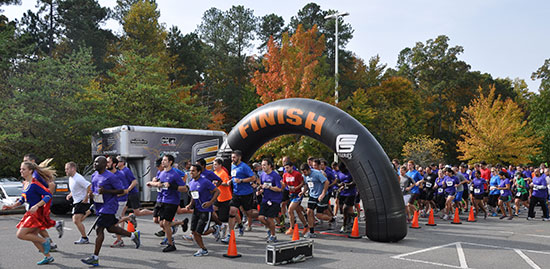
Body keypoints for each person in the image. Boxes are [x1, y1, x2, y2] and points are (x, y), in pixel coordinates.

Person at [81, 156, 141, 266]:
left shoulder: (111, 177)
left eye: (97, 162)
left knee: (99, 229)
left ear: (104, 164)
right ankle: (133, 236)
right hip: (99, 205)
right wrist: (90, 195)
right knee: (111, 228)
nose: (95, 164)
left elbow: (122, 190)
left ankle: (95, 257)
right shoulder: (94, 175)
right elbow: (94, 191)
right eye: (94, 162)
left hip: (109, 206)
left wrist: (106, 191)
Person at [3, 162, 56, 265]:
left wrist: (37, 206)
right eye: (20, 169)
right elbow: (23, 199)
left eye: (23, 169)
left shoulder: (35, 184)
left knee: (21, 234)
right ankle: (48, 257)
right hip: (29, 213)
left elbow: (48, 195)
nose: (21, 171)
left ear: (30, 171)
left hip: (36, 214)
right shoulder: (26, 183)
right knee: (32, 235)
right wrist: (12, 206)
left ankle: (45, 241)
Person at [146, 154, 187, 252]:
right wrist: (154, 184)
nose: (162, 162)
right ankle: (181, 223)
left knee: (166, 223)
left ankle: (171, 244)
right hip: (161, 200)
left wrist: (172, 186)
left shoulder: (175, 174)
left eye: (165, 160)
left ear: (170, 162)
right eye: (162, 160)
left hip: (171, 201)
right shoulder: (161, 173)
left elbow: (184, 188)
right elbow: (156, 182)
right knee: (156, 220)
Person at [22, 154, 63, 250]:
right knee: (38, 225)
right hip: (35, 204)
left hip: (39, 204)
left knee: (38, 224)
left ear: (32, 162)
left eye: (26, 161)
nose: (24, 163)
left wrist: (45, 201)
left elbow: (51, 185)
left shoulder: (36, 174)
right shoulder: (33, 174)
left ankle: (54, 231)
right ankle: (51, 243)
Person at [221, 150, 257, 243]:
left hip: (246, 194)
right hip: (236, 193)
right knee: (232, 211)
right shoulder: (233, 165)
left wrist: (241, 181)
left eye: (234, 157)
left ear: (239, 157)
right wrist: (230, 180)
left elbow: (253, 178)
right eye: (232, 157)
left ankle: (265, 215)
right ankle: (230, 235)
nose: (232, 159)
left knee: (249, 213)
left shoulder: (244, 167)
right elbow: (234, 176)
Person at [186, 164, 221, 256]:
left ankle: (213, 230)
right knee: (194, 232)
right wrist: (190, 204)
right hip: (196, 210)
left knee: (199, 232)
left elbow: (217, 191)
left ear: (199, 172)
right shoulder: (191, 182)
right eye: (190, 171)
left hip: (205, 211)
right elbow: (194, 195)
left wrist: (210, 202)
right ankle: (203, 248)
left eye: (193, 171)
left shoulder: (205, 182)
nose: (191, 173)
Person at [107, 156, 137, 248]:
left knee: (114, 222)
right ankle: (129, 218)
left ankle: (120, 240)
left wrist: (114, 195)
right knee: (114, 221)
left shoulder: (120, 175)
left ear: (114, 164)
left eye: (108, 162)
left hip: (120, 201)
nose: (106, 164)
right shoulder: (108, 174)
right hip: (113, 201)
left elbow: (125, 190)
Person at [300, 163, 331, 238]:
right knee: (309, 212)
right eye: (303, 172)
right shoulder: (305, 176)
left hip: (322, 195)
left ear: (309, 169)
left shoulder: (317, 174)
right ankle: (311, 232)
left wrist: (323, 194)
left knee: (318, 215)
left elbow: (327, 182)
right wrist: (303, 192)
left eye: (305, 172)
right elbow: (307, 185)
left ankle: (332, 219)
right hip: (313, 195)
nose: (304, 174)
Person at [65, 161, 92, 244]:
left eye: (67, 169)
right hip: (76, 201)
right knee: (77, 220)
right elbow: (75, 188)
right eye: (65, 169)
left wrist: (86, 197)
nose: (66, 171)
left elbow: (89, 186)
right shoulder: (71, 178)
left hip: (81, 201)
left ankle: (84, 238)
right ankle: (89, 211)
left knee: (76, 220)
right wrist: (70, 194)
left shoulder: (78, 178)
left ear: (73, 169)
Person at [257, 159, 283, 243]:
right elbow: (261, 185)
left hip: (275, 199)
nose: (263, 167)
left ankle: (273, 235)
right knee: (260, 217)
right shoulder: (262, 175)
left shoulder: (275, 176)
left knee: (270, 218)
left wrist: (269, 187)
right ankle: (271, 228)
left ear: (269, 166)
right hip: (266, 199)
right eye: (262, 165)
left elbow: (279, 189)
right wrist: (260, 190)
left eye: (264, 165)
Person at [282, 161, 308, 236]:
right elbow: (284, 184)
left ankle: (292, 227)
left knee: (290, 209)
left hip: (298, 194)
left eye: (287, 167)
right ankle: (306, 226)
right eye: (285, 168)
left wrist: (296, 188)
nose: (286, 169)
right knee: (298, 211)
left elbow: (302, 183)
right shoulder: (285, 175)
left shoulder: (297, 174)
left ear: (291, 167)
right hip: (291, 194)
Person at [213, 158, 232, 240]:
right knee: (212, 209)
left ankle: (224, 229)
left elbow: (227, 184)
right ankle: (220, 225)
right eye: (213, 164)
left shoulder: (223, 173)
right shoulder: (215, 172)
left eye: (216, 164)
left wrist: (219, 183)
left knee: (224, 217)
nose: (214, 166)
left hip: (225, 197)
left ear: (220, 165)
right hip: (218, 196)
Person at [336, 162, 357, 233]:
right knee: (343, 210)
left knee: (345, 209)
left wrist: (346, 184)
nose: (341, 170)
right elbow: (338, 182)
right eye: (340, 169)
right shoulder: (339, 173)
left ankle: (344, 225)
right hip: (342, 193)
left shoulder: (351, 172)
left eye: (342, 169)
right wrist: (340, 185)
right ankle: (353, 216)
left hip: (350, 193)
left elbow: (354, 182)